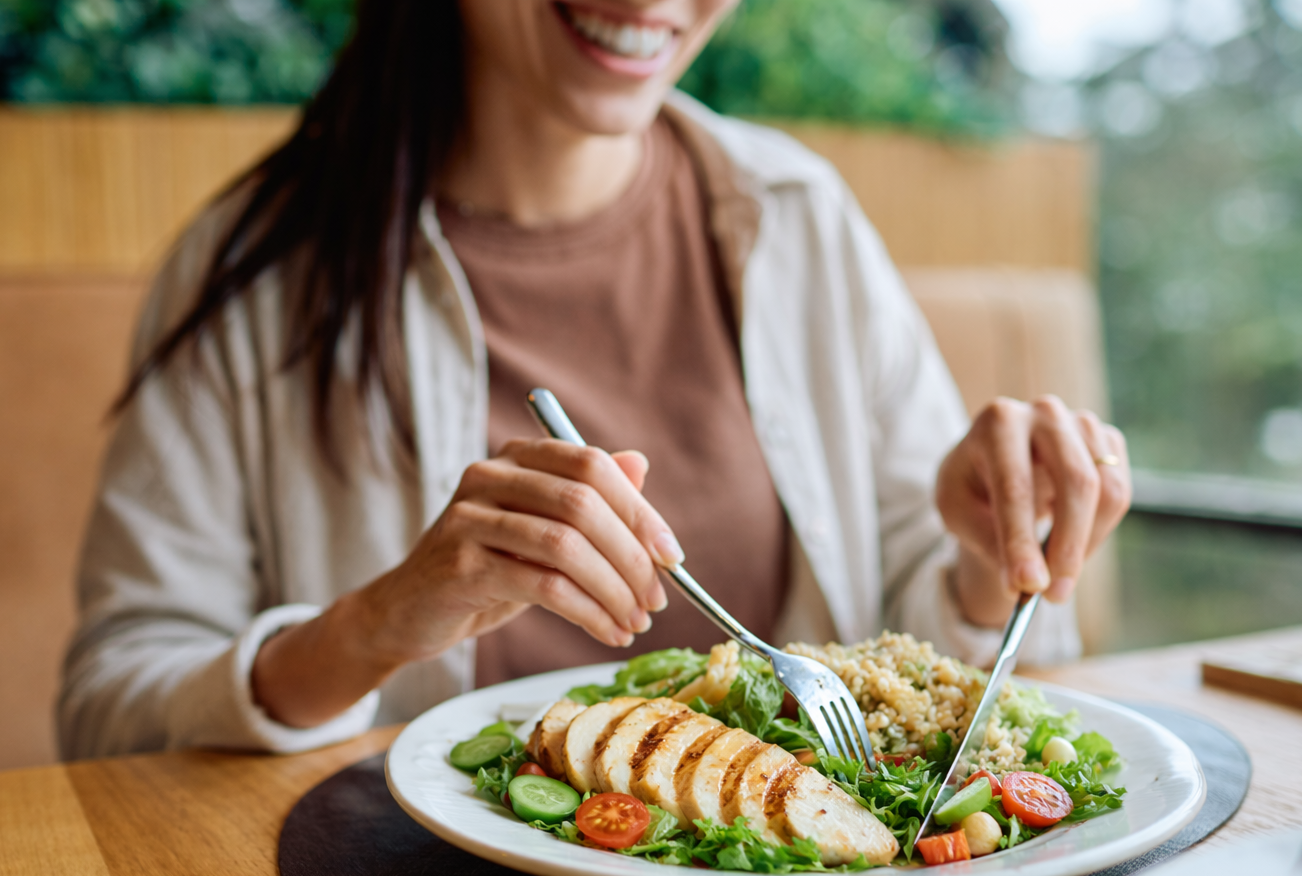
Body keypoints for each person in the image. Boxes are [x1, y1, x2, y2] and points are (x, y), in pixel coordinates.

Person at [58, 0, 1132, 759]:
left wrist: (991, 554)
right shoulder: (256, 270)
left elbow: (915, 657)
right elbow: (109, 706)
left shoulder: (802, 216)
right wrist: (374, 625)